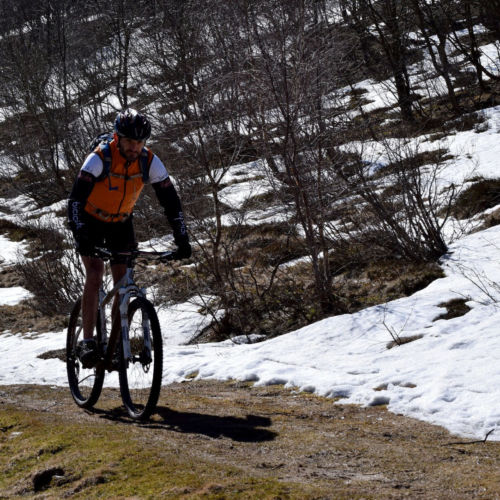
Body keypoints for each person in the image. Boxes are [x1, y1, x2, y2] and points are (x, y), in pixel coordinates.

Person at [68, 108, 191, 365]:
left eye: (139, 142)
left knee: (123, 284)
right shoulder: (99, 158)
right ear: (117, 137)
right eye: (129, 141)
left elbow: (171, 201)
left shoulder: (149, 161)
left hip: (121, 223)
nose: (135, 147)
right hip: (90, 220)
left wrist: (182, 238)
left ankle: (115, 347)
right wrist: (81, 236)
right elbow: (76, 200)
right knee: (94, 273)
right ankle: (87, 341)